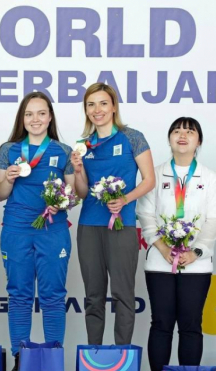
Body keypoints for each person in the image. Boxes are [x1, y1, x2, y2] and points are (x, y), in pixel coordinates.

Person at [136, 117, 216, 371]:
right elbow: (145, 215)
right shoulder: (155, 174)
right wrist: (163, 248)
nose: (182, 135)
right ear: (169, 139)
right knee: (161, 323)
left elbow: (215, 219)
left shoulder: (210, 178)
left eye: (189, 131)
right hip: (159, 263)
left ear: (199, 141)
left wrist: (195, 252)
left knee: (190, 324)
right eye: (177, 131)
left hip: (196, 265)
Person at [0, 92, 75, 371]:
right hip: (17, 229)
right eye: (29, 114)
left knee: (53, 296)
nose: (35, 119)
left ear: (50, 117)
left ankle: (53, 360)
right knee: (19, 295)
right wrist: (8, 179)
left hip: (53, 231)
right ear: (22, 118)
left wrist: (62, 203)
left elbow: (73, 195)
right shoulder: (9, 149)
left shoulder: (63, 150)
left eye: (41, 113)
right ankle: (20, 358)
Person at [70, 82, 155, 346]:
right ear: (86, 110)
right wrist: (78, 171)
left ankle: (122, 356)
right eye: (91, 105)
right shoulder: (83, 145)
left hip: (122, 225)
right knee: (93, 296)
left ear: (114, 107)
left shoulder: (132, 137)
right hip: (89, 226)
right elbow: (81, 193)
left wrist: (125, 199)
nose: (97, 110)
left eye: (103, 103)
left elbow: (149, 180)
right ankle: (93, 356)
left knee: (123, 294)